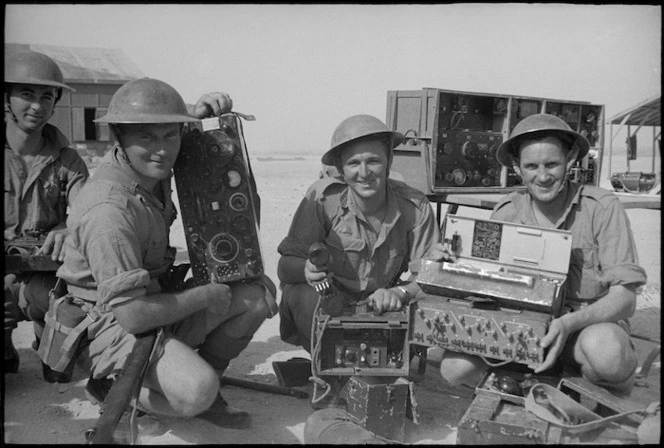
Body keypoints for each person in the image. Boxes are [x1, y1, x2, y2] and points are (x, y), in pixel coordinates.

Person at [55, 77, 277, 429]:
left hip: (151, 296)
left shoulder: (149, 167)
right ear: (119, 137)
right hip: (108, 320)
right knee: (196, 391)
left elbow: (169, 131)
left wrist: (197, 111)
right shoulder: (108, 210)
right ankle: (111, 387)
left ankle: (193, 376)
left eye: (170, 135)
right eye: (146, 137)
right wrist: (204, 295)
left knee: (256, 295)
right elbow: (132, 316)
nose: (162, 149)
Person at [436, 113, 647, 395]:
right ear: (517, 167)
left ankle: (594, 386)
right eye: (532, 166)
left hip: (582, 330)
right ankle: (520, 389)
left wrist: (569, 323)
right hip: (522, 331)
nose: (543, 176)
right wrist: (450, 263)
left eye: (552, 164)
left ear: (571, 160)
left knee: (608, 355)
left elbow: (625, 298)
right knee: (454, 368)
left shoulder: (602, 208)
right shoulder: (506, 211)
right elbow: (481, 286)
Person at [277, 113, 441, 354]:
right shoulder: (323, 200)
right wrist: (307, 270)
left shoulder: (414, 207)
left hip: (381, 308)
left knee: (432, 305)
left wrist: (399, 292)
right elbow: (285, 267)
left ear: (389, 161)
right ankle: (328, 367)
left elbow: (431, 277)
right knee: (302, 294)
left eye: (373, 161)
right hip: (331, 303)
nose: (364, 173)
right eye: (353, 163)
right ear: (341, 169)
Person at [4, 50, 90, 382]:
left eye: (46, 97)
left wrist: (68, 225)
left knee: (62, 304)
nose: (38, 106)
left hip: (45, 275)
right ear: (7, 98)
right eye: (27, 95)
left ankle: (47, 340)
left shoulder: (69, 162)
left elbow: (86, 214)